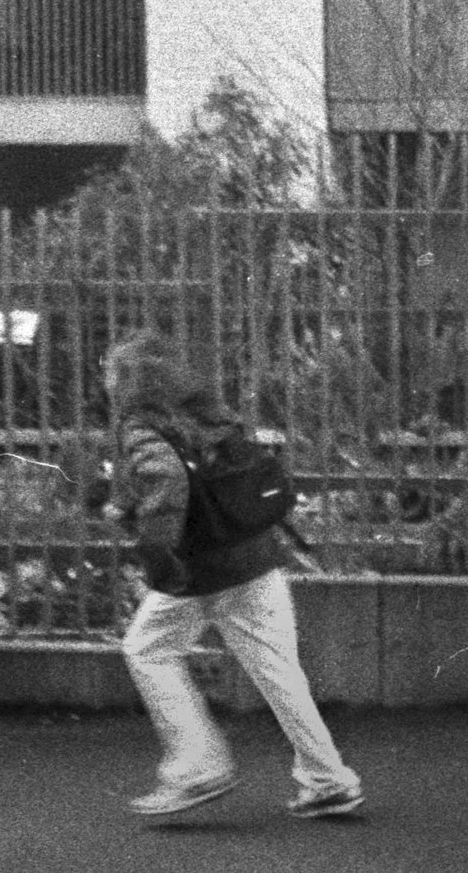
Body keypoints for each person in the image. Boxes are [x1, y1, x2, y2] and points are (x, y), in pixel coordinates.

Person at [102, 331, 364, 820]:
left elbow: (167, 481)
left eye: (109, 370)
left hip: (203, 568)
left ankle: (199, 768)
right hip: (256, 556)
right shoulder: (204, 410)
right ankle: (329, 780)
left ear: (127, 380)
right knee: (278, 671)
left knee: (147, 649)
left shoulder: (142, 425)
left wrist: (158, 557)